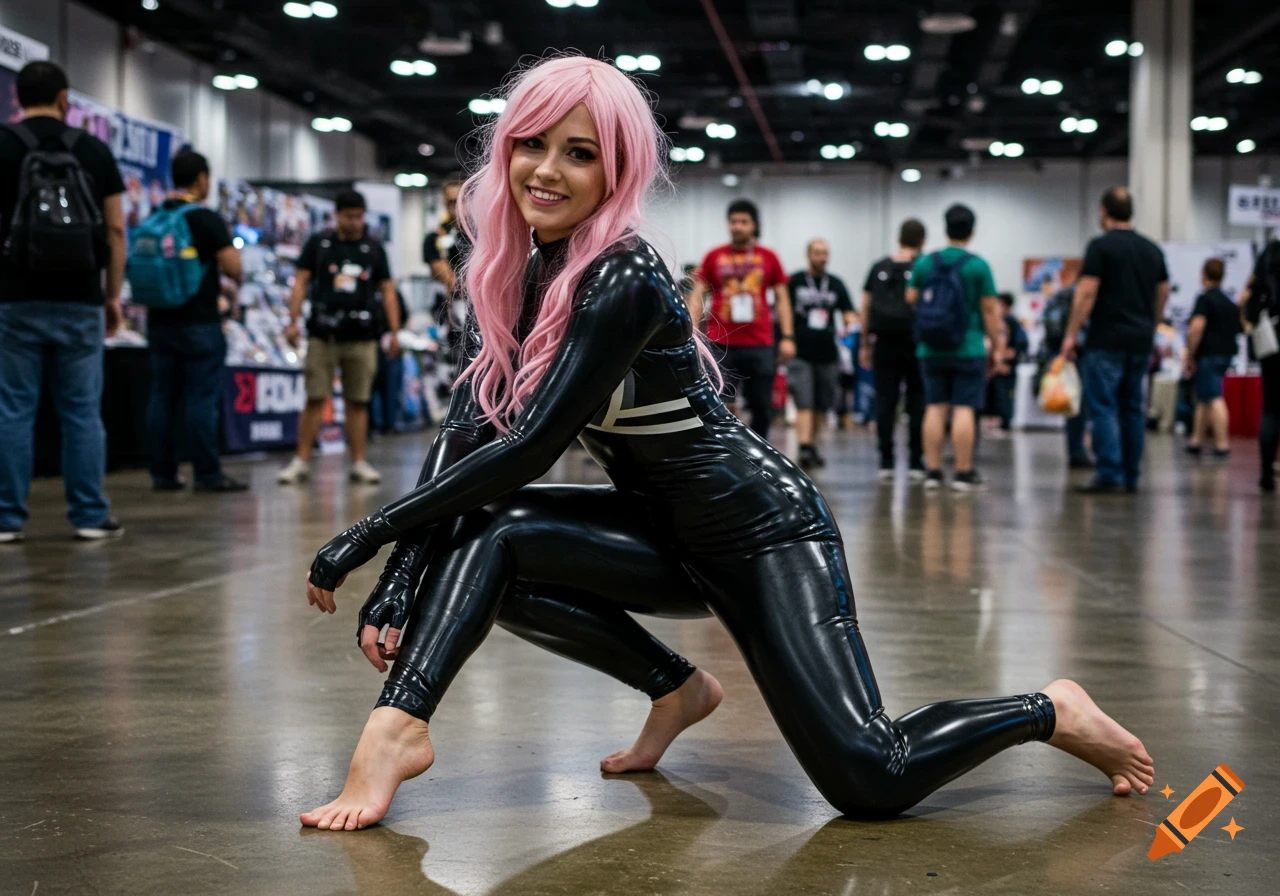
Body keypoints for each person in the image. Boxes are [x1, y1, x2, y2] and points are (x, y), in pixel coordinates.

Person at [295, 56, 1153, 832]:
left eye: (580, 153)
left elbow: (525, 448)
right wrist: (402, 580)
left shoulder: (622, 277)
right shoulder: (514, 269)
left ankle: (1050, 709)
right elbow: (470, 424)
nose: (546, 170)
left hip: (763, 537)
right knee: (493, 541)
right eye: (531, 143)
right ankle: (429, 724)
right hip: (656, 530)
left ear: (618, 170)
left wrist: (368, 535)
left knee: (871, 779)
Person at [0, 61, 126, 542]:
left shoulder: (4, 144)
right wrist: (111, 295)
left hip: (15, 297)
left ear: (18, 96)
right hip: (80, 299)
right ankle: (90, 515)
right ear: (64, 99)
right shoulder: (92, 150)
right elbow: (115, 228)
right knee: (81, 411)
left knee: (13, 409)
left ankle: (7, 517)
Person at [278, 190, 401, 485]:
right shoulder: (319, 244)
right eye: (349, 216)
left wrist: (395, 333)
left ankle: (359, 462)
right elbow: (300, 282)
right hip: (323, 335)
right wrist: (292, 322)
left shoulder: (373, 249)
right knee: (315, 397)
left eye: (359, 217)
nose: (355, 222)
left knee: (358, 401)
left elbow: (386, 290)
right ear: (336, 215)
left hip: (363, 337)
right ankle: (301, 461)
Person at [144, 150, 247, 493]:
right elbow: (234, 268)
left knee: (162, 398)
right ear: (203, 178)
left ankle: (163, 473)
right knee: (201, 399)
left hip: (159, 320)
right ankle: (207, 474)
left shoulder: (156, 215)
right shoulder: (206, 218)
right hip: (200, 321)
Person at [1061, 187, 1170, 494]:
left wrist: (1071, 334)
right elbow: (1163, 292)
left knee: (1103, 405)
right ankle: (1131, 474)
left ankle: (1110, 472)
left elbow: (1086, 292)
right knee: (1132, 407)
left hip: (1106, 338)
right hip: (1139, 340)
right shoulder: (1152, 249)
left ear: (1103, 211)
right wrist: (1153, 325)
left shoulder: (1100, 247)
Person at [906, 204, 1005, 492]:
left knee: (934, 407)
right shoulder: (978, 265)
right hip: (968, 346)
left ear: (945, 228)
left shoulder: (927, 263)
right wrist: (996, 346)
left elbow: (910, 297)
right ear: (972, 231)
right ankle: (963, 473)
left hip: (931, 348)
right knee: (964, 409)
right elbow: (989, 310)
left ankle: (933, 472)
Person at [686, 199, 794, 438]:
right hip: (722, 342)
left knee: (762, 406)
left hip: (760, 343)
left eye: (743, 222)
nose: (737, 226)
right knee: (717, 403)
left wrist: (787, 336)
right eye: (733, 221)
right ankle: (723, 452)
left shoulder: (768, 257)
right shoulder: (714, 256)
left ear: (754, 226)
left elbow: (783, 299)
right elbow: (698, 294)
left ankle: (758, 454)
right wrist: (691, 331)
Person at [860, 219, 926, 480]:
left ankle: (886, 460)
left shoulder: (879, 266)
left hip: (884, 342)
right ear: (922, 241)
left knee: (885, 401)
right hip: (915, 341)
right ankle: (915, 462)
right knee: (917, 401)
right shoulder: (922, 266)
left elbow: (865, 307)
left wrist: (865, 343)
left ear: (899, 238)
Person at [787, 238, 855, 468]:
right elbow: (783, 311)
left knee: (821, 404)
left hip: (827, 353)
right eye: (817, 253)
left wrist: (851, 323)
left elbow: (848, 312)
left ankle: (811, 444)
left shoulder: (835, 283)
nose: (821, 257)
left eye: (825, 253)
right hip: (801, 352)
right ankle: (804, 446)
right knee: (804, 401)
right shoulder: (795, 281)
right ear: (808, 255)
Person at [1183, 259, 1241, 458]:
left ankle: (1222, 443)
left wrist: (1190, 353)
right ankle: (1196, 439)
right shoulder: (1229, 303)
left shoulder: (1205, 300)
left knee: (1214, 397)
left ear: (1204, 274)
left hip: (1208, 355)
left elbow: (1196, 328)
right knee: (1204, 396)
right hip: (1225, 355)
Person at [1038, 285, 1092, 467]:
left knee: (1075, 406)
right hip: (1083, 352)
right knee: (1086, 406)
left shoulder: (1059, 297)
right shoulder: (1085, 296)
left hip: (1062, 351)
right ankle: (1081, 450)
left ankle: (1076, 448)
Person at [1241, 239, 1280, 492]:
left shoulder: (1262, 281)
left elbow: (1246, 305)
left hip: (1272, 346)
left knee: (1271, 409)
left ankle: (1266, 472)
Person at [423, 172, 470, 373]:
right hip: (448, 312)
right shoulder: (434, 237)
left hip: (483, 312)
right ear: (443, 201)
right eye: (450, 201)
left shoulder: (482, 233)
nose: (455, 205)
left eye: (459, 200)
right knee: (449, 369)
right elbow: (441, 271)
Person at [986, 293, 1029, 433]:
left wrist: (1007, 359)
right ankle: (1000, 422)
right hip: (999, 367)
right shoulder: (1002, 322)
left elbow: (1020, 345)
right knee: (998, 396)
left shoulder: (1010, 322)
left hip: (1006, 367)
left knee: (1004, 397)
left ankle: (1004, 423)